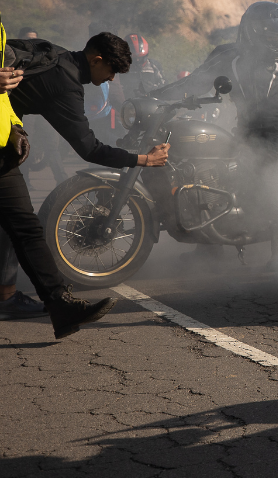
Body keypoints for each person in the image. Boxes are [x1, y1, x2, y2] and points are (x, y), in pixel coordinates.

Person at [0, 30, 170, 335]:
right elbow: (89, 148)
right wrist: (143, 160)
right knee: (25, 229)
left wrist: (14, 124)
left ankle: (27, 301)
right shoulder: (66, 86)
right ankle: (49, 304)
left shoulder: (56, 56)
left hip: (3, 149)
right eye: (111, 71)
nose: (112, 79)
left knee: (18, 226)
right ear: (97, 60)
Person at [152, 2, 278, 266]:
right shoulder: (229, 55)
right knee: (210, 179)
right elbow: (197, 80)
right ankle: (209, 249)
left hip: (275, 132)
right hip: (244, 127)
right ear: (253, 32)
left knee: (266, 182)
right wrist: (156, 98)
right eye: (272, 35)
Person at [120, 33, 166, 98]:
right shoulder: (120, 67)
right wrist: (128, 88)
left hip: (150, 104)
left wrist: (153, 87)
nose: (138, 61)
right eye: (135, 59)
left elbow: (165, 86)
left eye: (141, 58)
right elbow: (113, 89)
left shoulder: (153, 66)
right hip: (127, 104)